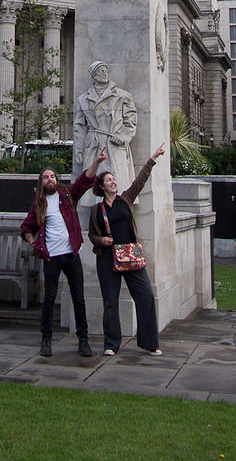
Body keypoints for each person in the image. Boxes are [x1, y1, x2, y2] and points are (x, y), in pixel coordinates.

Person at [21, 147, 108, 358]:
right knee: (49, 298)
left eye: (52, 176)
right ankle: (46, 339)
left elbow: (84, 181)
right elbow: (26, 228)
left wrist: (97, 162)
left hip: (71, 255)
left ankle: (83, 340)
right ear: (41, 183)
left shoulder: (67, 194)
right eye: (46, 177)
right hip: (52, 256)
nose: (50, 179)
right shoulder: (39, 205)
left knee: (79, 298)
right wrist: (34, 244)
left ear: (56, 180)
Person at [88, 142, 166, 356]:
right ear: (102, 187)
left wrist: (153, 158)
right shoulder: (97, 209)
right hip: (107, 258)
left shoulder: (125, 200)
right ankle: (111, 344)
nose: (113, 182)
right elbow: (91, 235)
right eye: (109, 180)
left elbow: (140, 181)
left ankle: (150, 342)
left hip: (130, 255)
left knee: (146, 297)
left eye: (113, 179)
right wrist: (100, 241)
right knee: (110, 302)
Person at [74, 61, 137, 191]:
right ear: (93, 75)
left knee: (119, 186)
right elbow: (79, 127)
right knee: (91, 189)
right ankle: (96, 211)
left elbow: (131, 120)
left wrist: (123, 136)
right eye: (100, 70)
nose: (104, 73)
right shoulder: (83, 99)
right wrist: (79, 150)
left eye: (105, 70)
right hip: (93, 146)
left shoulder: (123, 96)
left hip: (114, 144)